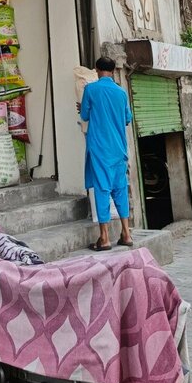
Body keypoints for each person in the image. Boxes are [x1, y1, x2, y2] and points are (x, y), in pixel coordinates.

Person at [79, 57, 134, 251]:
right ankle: (126, 233)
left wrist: (85, 107)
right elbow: (127, 118)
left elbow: (84, 115)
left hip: (100, 148)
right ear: (112, 71)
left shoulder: (91, 89)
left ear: (96, 69)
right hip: (119, 148)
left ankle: (104, 238)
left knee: (102, 189)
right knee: (120, 189)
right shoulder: (121, 92)